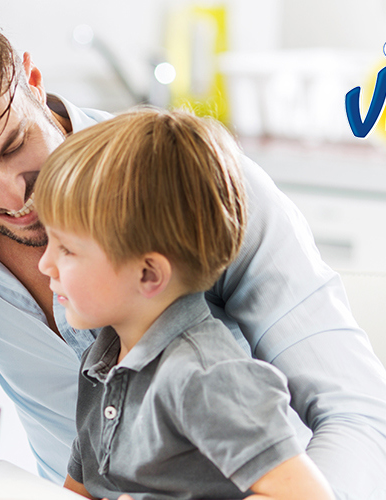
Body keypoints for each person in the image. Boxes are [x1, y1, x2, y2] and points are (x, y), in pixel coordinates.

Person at [0, 0, 386, 497]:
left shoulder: (198, 189)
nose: (14, 197)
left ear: (31, 78)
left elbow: (369, 424)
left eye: (13, 144)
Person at [37, 108, 333, 500]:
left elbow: (307, 496)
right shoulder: (102, 361)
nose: (45, 264)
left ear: (148, 275)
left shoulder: (206, 375)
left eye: (67, 250)